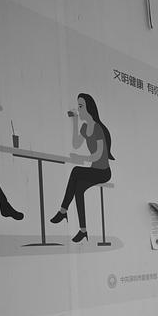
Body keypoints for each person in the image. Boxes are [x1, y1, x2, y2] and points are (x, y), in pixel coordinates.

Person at [50, 93, 114, 242]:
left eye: (81, 106)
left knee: (76, 171)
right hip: (94, 170)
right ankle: (83, 230)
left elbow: (98, 154)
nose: (79, 109)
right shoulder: (85, 127)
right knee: (78, 189)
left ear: (88, 108)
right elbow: (76, 144)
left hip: (103, 172)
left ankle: (63, 210)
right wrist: (74, 122)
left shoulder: (97, 128)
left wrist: (81, 158)